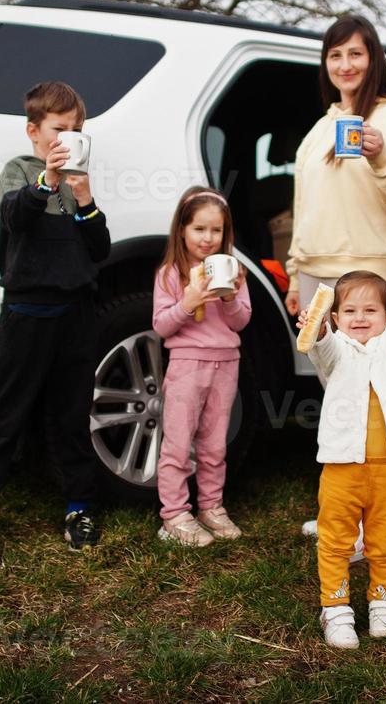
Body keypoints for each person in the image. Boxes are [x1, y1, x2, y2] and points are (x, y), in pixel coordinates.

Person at [0, 80, 111, 568]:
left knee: (71, 415)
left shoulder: (80, 182)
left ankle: (79, 506)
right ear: (34, 132)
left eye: (77, 130)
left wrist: (85, 201)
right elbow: (15, 218)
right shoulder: (19, 174)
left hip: (75, 316)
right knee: (5, 414)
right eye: (60, 129)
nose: (69, 138)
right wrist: (48, 182)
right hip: (27, 314)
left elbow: (98, 251)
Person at [284, 13, 386, 551]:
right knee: (338, 397)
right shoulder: (323, 125)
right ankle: (344, 514)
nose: (345, 64)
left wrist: (379, 153)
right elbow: (307, 204)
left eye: (356, 53)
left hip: (369, 271)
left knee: (375, 400)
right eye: (335, 55)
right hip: (319, 273)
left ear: (374, 59)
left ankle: (374, 522)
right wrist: (297, 271)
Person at [299, 270, 386, 649]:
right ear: (337, 318)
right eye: (350, 311)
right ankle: (335, 605)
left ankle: (382, 599)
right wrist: (318, 328)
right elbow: (321, 347)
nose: (360, 318)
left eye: (371, 310)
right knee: (335, 537)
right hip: (342, 467)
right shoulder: (338, 350)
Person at [150, 186, 252, 546]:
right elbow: (162, 326)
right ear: (182, 230)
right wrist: (187, 301)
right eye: (199, 229)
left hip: (226, 363)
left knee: (214, 443)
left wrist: (228, 298)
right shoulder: (170, 273)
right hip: (187, 365)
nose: (208, 238)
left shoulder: (234, 272)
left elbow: (240, 322)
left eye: (216, 230)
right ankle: (174, 514)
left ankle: (211, 505)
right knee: (178, 443)